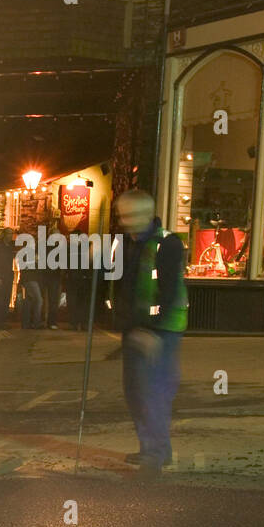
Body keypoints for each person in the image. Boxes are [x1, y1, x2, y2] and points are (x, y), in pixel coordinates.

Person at [112, 190, 187, 478]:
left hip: (161, 331)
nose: (124, 221)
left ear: (146, 214)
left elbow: (169, 290)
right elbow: (127, 285)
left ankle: (155, 455)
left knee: (153, 392)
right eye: (122, 215)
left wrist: (154, 332)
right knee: (134, 392)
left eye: (129, 215)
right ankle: (151, 448)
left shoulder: (167, 244)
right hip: (136, 329)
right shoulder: (130, 243)